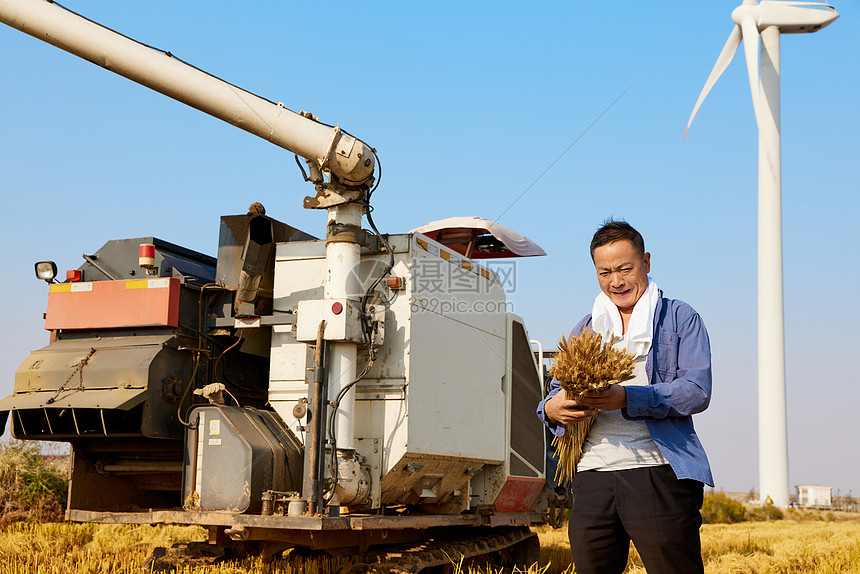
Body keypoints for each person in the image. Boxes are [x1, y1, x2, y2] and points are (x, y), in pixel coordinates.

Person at [537, 219, 713, 574]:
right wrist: (552, 408)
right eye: (604, 272)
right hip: (591, 475)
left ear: (646, 262)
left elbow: (696, 391)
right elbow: (554, 394)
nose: (615, 281)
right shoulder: (587, 326)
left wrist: (627, 398)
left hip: (657, 471)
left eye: (624, 268)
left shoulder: (680, 318)